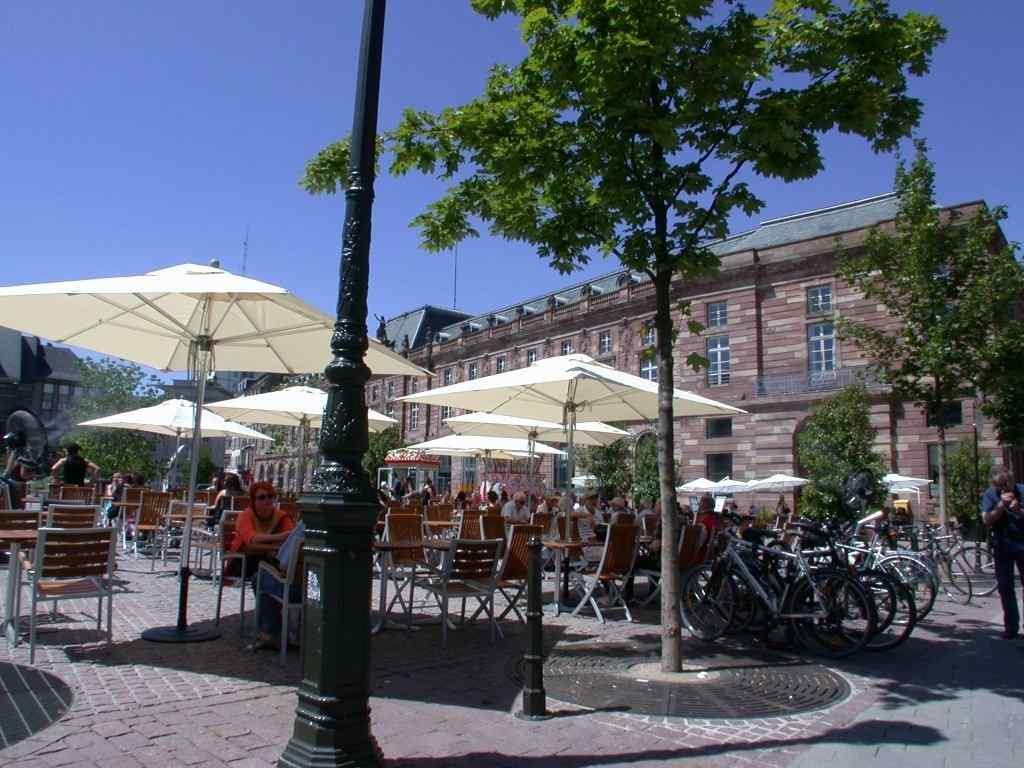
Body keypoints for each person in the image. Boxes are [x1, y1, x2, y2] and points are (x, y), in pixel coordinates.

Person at [250, 519, 305, 652]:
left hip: (298, 590)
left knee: (259, 577)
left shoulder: (304, 526)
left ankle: (270, 633)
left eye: (269, 496)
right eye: (263, 497)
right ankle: (274, 632)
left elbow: (283, 562)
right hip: (321, 590)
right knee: (267, 579)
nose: (267, 500)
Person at [981, 468, 1024, 639]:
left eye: (1006, 485)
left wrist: (1018, 511)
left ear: (1012, 481)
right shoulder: (991, 494)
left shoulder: (1021, 490)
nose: (1003, 489)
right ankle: (1011, 627)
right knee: (1005, 587)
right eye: (999, 486)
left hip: (1022, 543)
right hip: (1002, 546)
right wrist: (1000, 506)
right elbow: (986, 519)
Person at [230, 482, 295, 579]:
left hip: (270, 559)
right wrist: (280, 538)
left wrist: (281, 540)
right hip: (243, 560)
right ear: (253, 501)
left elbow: (291, 539)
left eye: (270, 496)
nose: (267, 500)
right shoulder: (245, 515)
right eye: (261, 497)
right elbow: (251, 539)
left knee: (291, 568)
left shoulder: (281, 516)